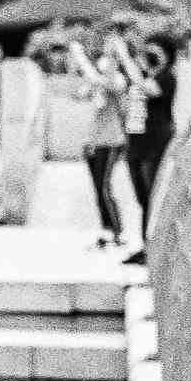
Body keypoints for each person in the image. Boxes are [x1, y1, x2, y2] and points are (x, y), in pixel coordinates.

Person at [70, 34, 133, 250]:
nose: (103, 68)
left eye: (107, 65)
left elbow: (105, 83)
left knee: (105, 188)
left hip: (112, 141)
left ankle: (118, 232)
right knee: (98, 189)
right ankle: (106, 230)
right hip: (95, 142)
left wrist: (80, 57)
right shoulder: (96, 84)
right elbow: (83, 91)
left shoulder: (118, 82)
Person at [123, 37, 178, 266]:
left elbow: (150, 91)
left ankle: (153, 248)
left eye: (154, 53)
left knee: (152, 197)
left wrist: (126, 58)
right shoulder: (144, 76)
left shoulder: (167, 78)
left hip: (155, 146)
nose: (149, 56)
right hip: (136, 145)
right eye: (146, 52)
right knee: (142, 199)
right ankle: (146, 245)